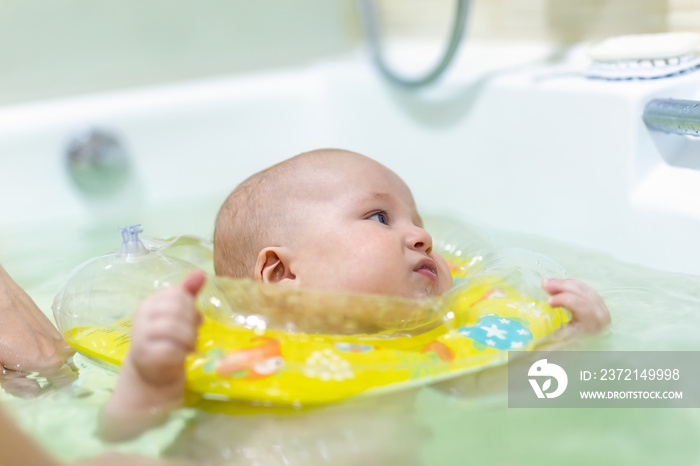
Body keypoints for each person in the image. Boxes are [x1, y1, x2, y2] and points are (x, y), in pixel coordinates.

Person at [100, 149, 611, 440]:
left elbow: (488, 390)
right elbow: (120, 430)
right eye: (379, 218)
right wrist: (150, 374)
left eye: (418, 221)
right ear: (280, 274)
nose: (421, 236)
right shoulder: (220, 346)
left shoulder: (431, 340)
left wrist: (573, 341)